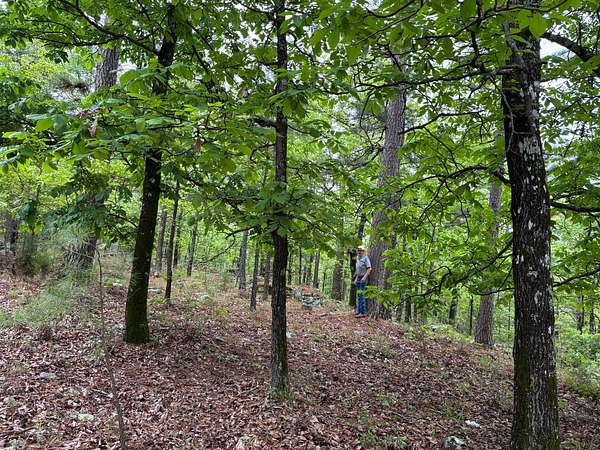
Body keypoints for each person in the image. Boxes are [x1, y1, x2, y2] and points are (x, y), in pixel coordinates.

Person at [354, 245, 371, 318]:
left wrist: (364, 277)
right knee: (358, 295)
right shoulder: (358, 259)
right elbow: (358, 270)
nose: (359, 252)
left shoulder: (366, 258)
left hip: (363, 278)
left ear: (363, 251)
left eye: (361, 250)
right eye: (358, 250)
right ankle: (358, 310)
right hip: (358, 278)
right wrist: (356, 279)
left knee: (362, 295)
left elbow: (369, 269)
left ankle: (362, 312)